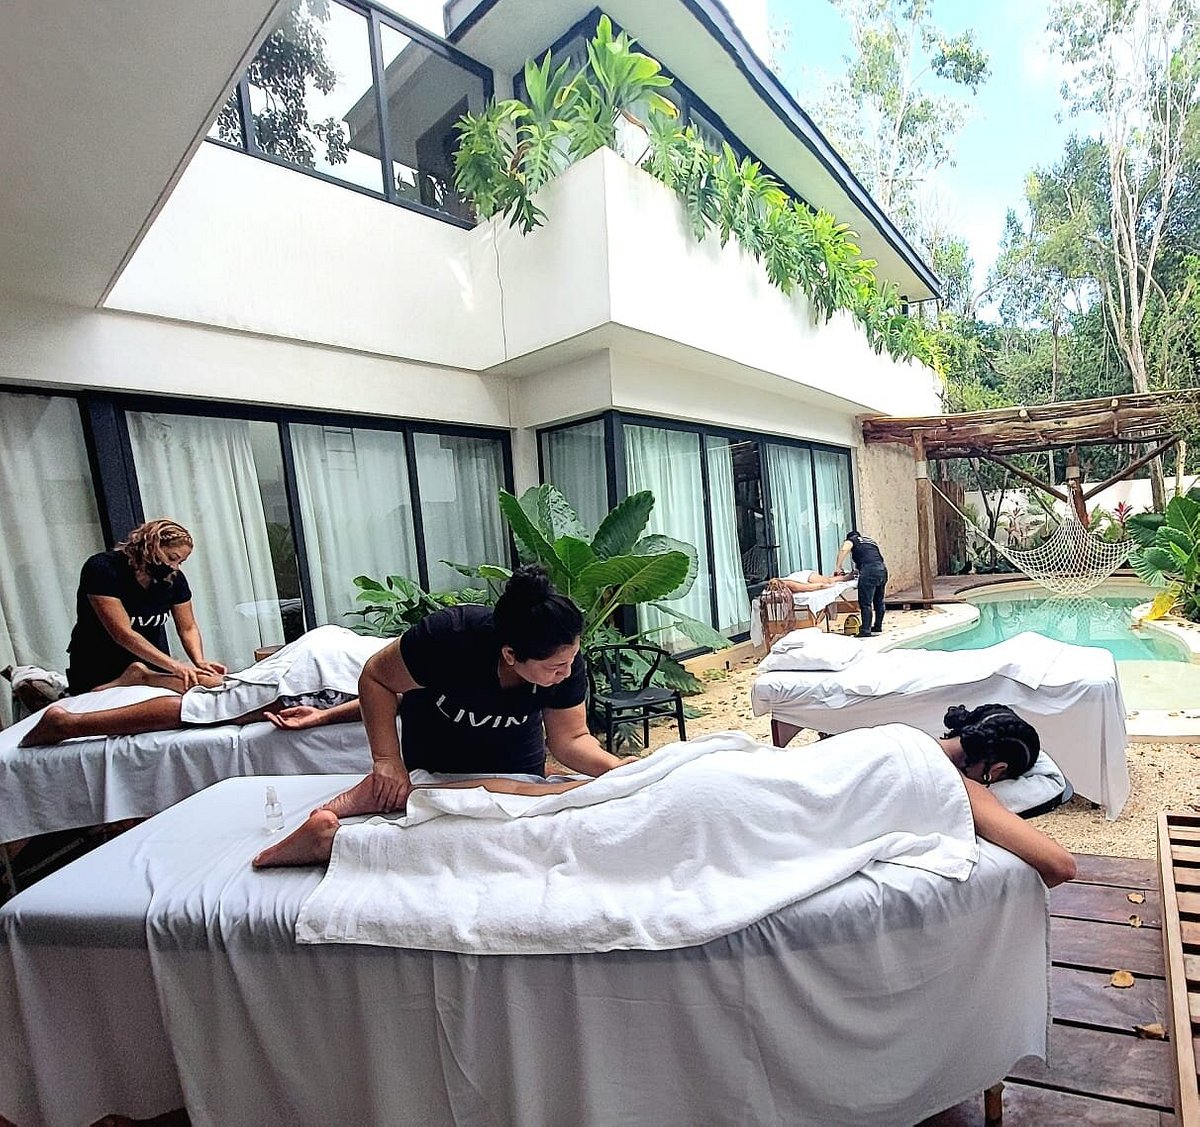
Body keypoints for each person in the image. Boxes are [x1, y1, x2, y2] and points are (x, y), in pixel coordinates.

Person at [253, 698, 1075, 889]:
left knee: (555, 801)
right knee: (545, 850)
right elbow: (1058, 864)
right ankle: (348, 841)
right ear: (996, 769)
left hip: (718, 768)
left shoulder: (892, 735)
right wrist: (995, 812)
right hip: (728, 814)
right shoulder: (963, 789)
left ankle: (399, 799)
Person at [254, 565, 634, 868]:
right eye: (555, 667)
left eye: (570, 661)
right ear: (510, 655)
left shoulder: (563, 660)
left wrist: (621, 774)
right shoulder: (450, 638)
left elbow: (571, 740)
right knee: (519, 804)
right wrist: (387, 761)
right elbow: (377, 679)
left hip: (513, 765)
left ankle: (342, 827)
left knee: (518, 816)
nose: (565, 674)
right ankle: (336, 833)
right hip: (435, 760)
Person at [20, 624, 383, 746]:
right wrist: (323, 717)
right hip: (324, 669)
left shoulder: (436, 634)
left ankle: (144, 678)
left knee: (231, 690)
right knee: (207, 708)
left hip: (334, 649)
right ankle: (69, 723)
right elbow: (384, 695)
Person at [66, 519, 226, 695]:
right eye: (171, 558)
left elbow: (187, 628)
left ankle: (139, 676)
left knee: (208, 684)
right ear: (151, 546)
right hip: (99, 666)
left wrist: (199, 661)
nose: (174, 566)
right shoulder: (103, 568)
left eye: (180, 562)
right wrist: (175, 666)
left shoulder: (173, 578)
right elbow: (123, 634)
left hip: (150, 664)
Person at [834, 529, 888, 637]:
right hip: (882, 570)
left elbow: (844, 549)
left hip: (869, 571)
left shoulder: (852, 540)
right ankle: (878, 626)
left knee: (865, 602)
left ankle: (865, 630)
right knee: (878, 601)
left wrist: (838, 567)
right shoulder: (870, 541)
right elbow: (870, 557)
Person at [774, 568, 839, 593]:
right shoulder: (789, 584)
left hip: (806, 576)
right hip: (804, 577)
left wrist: (829, 585)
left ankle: (843, 577)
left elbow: (820, 586)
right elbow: (819, 586)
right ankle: (843, 577)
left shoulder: (788, 584)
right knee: (829, 581)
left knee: (829, 581)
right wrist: (829, 586)